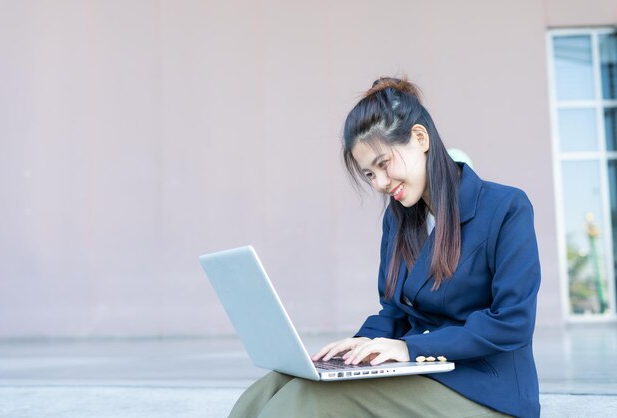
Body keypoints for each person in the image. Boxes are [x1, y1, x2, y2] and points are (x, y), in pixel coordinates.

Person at [228, 77, 541, 418]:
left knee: (310, 401)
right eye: (368, 175)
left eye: (382, 164)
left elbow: (512, 322)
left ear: (420, 139)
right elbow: (393, 311)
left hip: (488, 390)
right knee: (271, 389)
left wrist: (409, 348)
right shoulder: (401, 219)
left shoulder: (506, 207)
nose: (379, 183)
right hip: (427, 372)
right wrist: (359, 346)